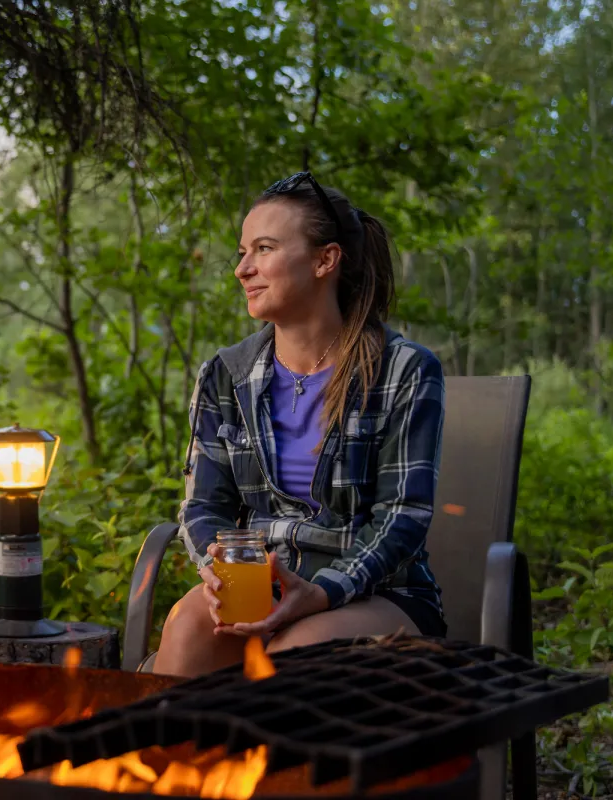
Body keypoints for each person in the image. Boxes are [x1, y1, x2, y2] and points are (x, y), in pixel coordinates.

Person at [153, 172, 446, 678]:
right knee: (186, 629)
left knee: (294, 656)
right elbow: (204, 505)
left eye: (263, 249)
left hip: (375, 591)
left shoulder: (404, 371)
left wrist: (321, 591)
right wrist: (221, 572)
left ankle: (285, 757)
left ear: (324, 260)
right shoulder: (226, 375)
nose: (243, 269)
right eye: (242, 252)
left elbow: (402, 514)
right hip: (256, 583)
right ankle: (171, 758)